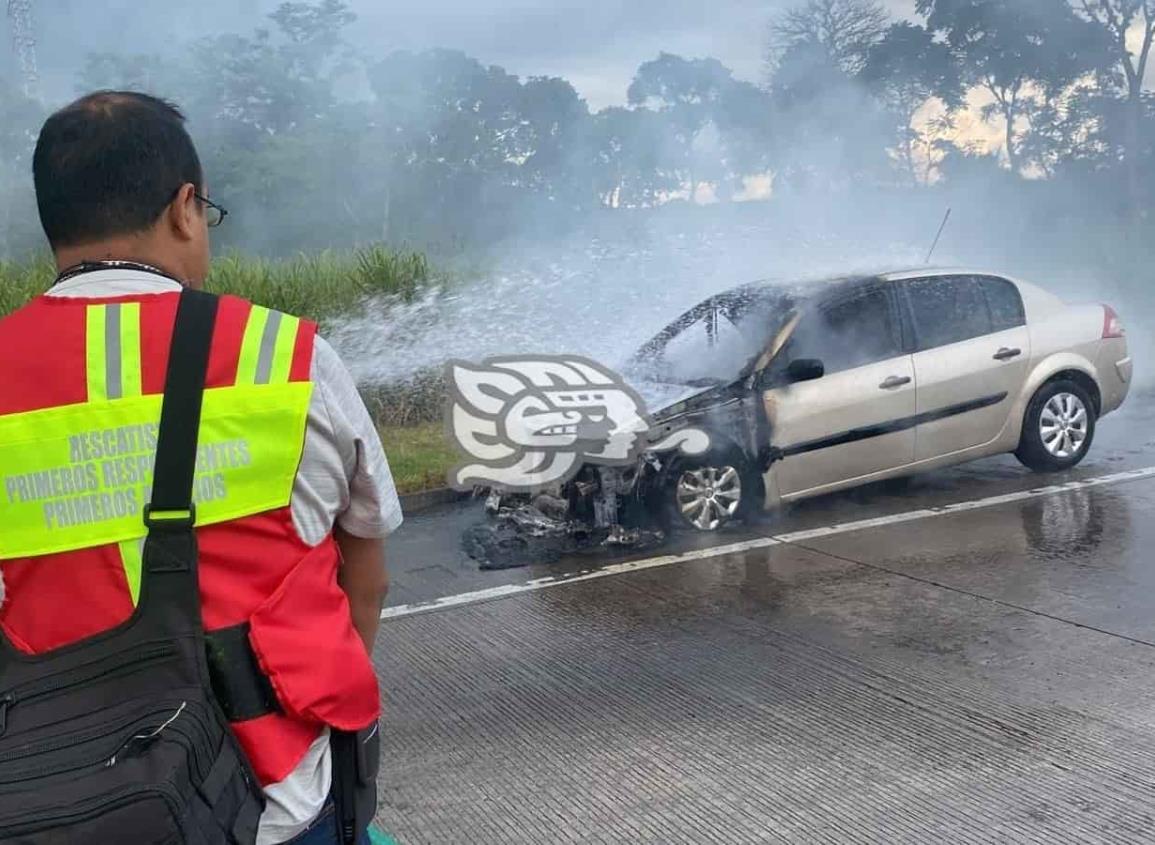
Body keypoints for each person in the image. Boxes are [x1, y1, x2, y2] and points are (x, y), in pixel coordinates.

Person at [0, 91, 401, 845]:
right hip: (280, 803)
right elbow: (366, 572)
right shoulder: (284, 357)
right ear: (186, 206)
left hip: (66, 814)